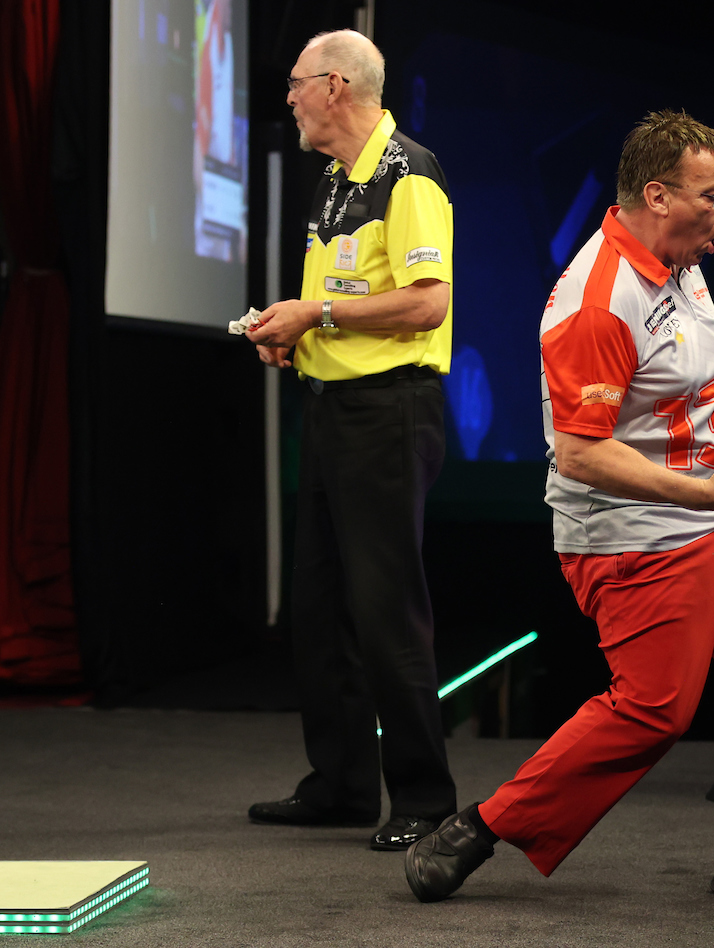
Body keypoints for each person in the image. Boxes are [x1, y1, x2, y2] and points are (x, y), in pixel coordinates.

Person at [404, 110, 714, 902]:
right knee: (656, 709)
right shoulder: (598, 299)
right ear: (657, 195)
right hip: (635, 536)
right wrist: (706, 491)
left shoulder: (681, 260)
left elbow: (687, 395)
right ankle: (483, 825)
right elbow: (582, 453)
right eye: (713, 197)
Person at [243, 30, 456, 852]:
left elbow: (428, 302)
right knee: (321, 605)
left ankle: (426, 798)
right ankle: (340, 785)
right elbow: (341, 300)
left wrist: (316, 314)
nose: (289, 98)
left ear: (334, 85)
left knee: (385, 612)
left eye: (297, 84)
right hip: (333, 408)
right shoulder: (336, 180)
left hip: (389, 413)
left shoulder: (410, 173)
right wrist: (295, 334)